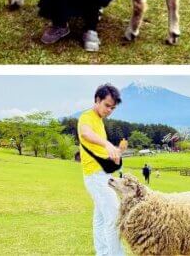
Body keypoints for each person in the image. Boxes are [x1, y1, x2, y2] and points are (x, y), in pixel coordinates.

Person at [78, 84, 124, 256]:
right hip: (95, 177)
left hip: (102, 175)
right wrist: (107, 143)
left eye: (113, 108)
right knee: (114, 217)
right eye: (107, 105)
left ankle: (103, 253)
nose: (109, 110)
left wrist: (113, 153)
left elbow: (95, 147)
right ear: (97, 100)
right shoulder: (86, 117)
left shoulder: (99, 121)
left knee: (100, 218)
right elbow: (85, 134)